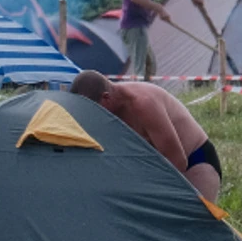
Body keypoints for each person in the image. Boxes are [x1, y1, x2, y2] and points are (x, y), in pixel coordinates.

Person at [70, 70, 220, 200]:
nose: (93, 118)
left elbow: (177, 161)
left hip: (195, 160)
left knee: (192, 225)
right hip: (157, 168)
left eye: (94, 111)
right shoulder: (106, 111)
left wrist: (145, 189)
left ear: (106, 98)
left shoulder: (143, 103)